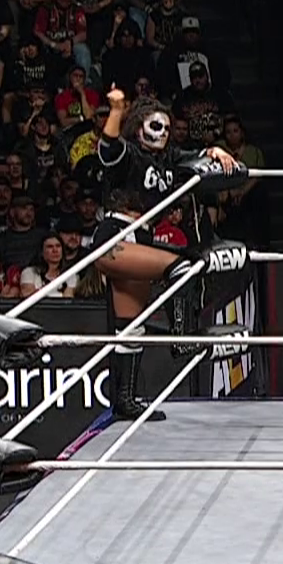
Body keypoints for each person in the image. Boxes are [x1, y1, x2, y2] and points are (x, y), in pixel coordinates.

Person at [90, 86, 241, 420]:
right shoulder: (129, 153)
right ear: (138, 127)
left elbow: (196, 157)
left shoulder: (169, 159)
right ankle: (182, 340)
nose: (162, 134)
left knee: (131, 328)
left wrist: (215, 150)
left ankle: (125, 401)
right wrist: (116, 110)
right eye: (155, 126)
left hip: (140, 237)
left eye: (167, 128)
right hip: (116, 235)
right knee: (183, 267)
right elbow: (108, 148)